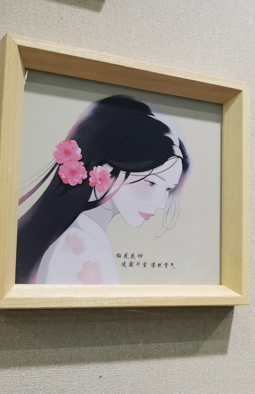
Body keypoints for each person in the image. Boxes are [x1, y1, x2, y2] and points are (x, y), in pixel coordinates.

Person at [15, 95, 190, 285]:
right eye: (152, 183)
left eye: (168, 189)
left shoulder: (82, 235)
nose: (161, 203)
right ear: (106, 171)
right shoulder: (79, 244)